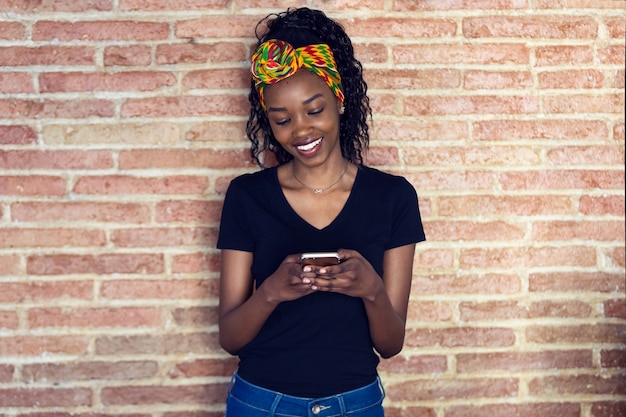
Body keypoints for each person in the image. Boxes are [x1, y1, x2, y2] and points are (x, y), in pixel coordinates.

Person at [217, 7, 425, 417]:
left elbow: (390, 343)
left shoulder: (393, 197)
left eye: (314, 111)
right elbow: (231, 337)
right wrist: (273, 290)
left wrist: (370, 288)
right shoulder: (247, 196)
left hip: (356, 405)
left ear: (340, 100)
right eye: (281, 119)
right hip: (260, 403)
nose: (301, 131)